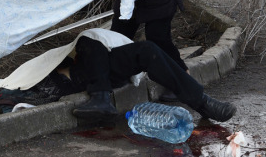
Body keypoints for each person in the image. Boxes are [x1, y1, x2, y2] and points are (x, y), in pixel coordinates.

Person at [61, 33, 236, 123]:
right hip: (78, 77)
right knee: (87, 40)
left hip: (102, 72)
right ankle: (100, 97)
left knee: (147, 50)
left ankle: (202, 103)